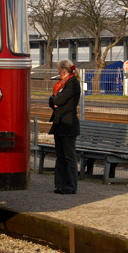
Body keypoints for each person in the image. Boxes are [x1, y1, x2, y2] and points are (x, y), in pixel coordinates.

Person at [48, 59, 81, 194]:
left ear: (63, 70)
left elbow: (59, 100)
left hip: (68, 125)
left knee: (69, 156)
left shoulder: (72, 83)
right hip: (59, 123)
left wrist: (55, 101)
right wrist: (54, 101)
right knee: (60, 156)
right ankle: (59, 184)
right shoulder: (62, 84)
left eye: (58, 70)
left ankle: (71, 185)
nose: (58, 72)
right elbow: (52, 101)